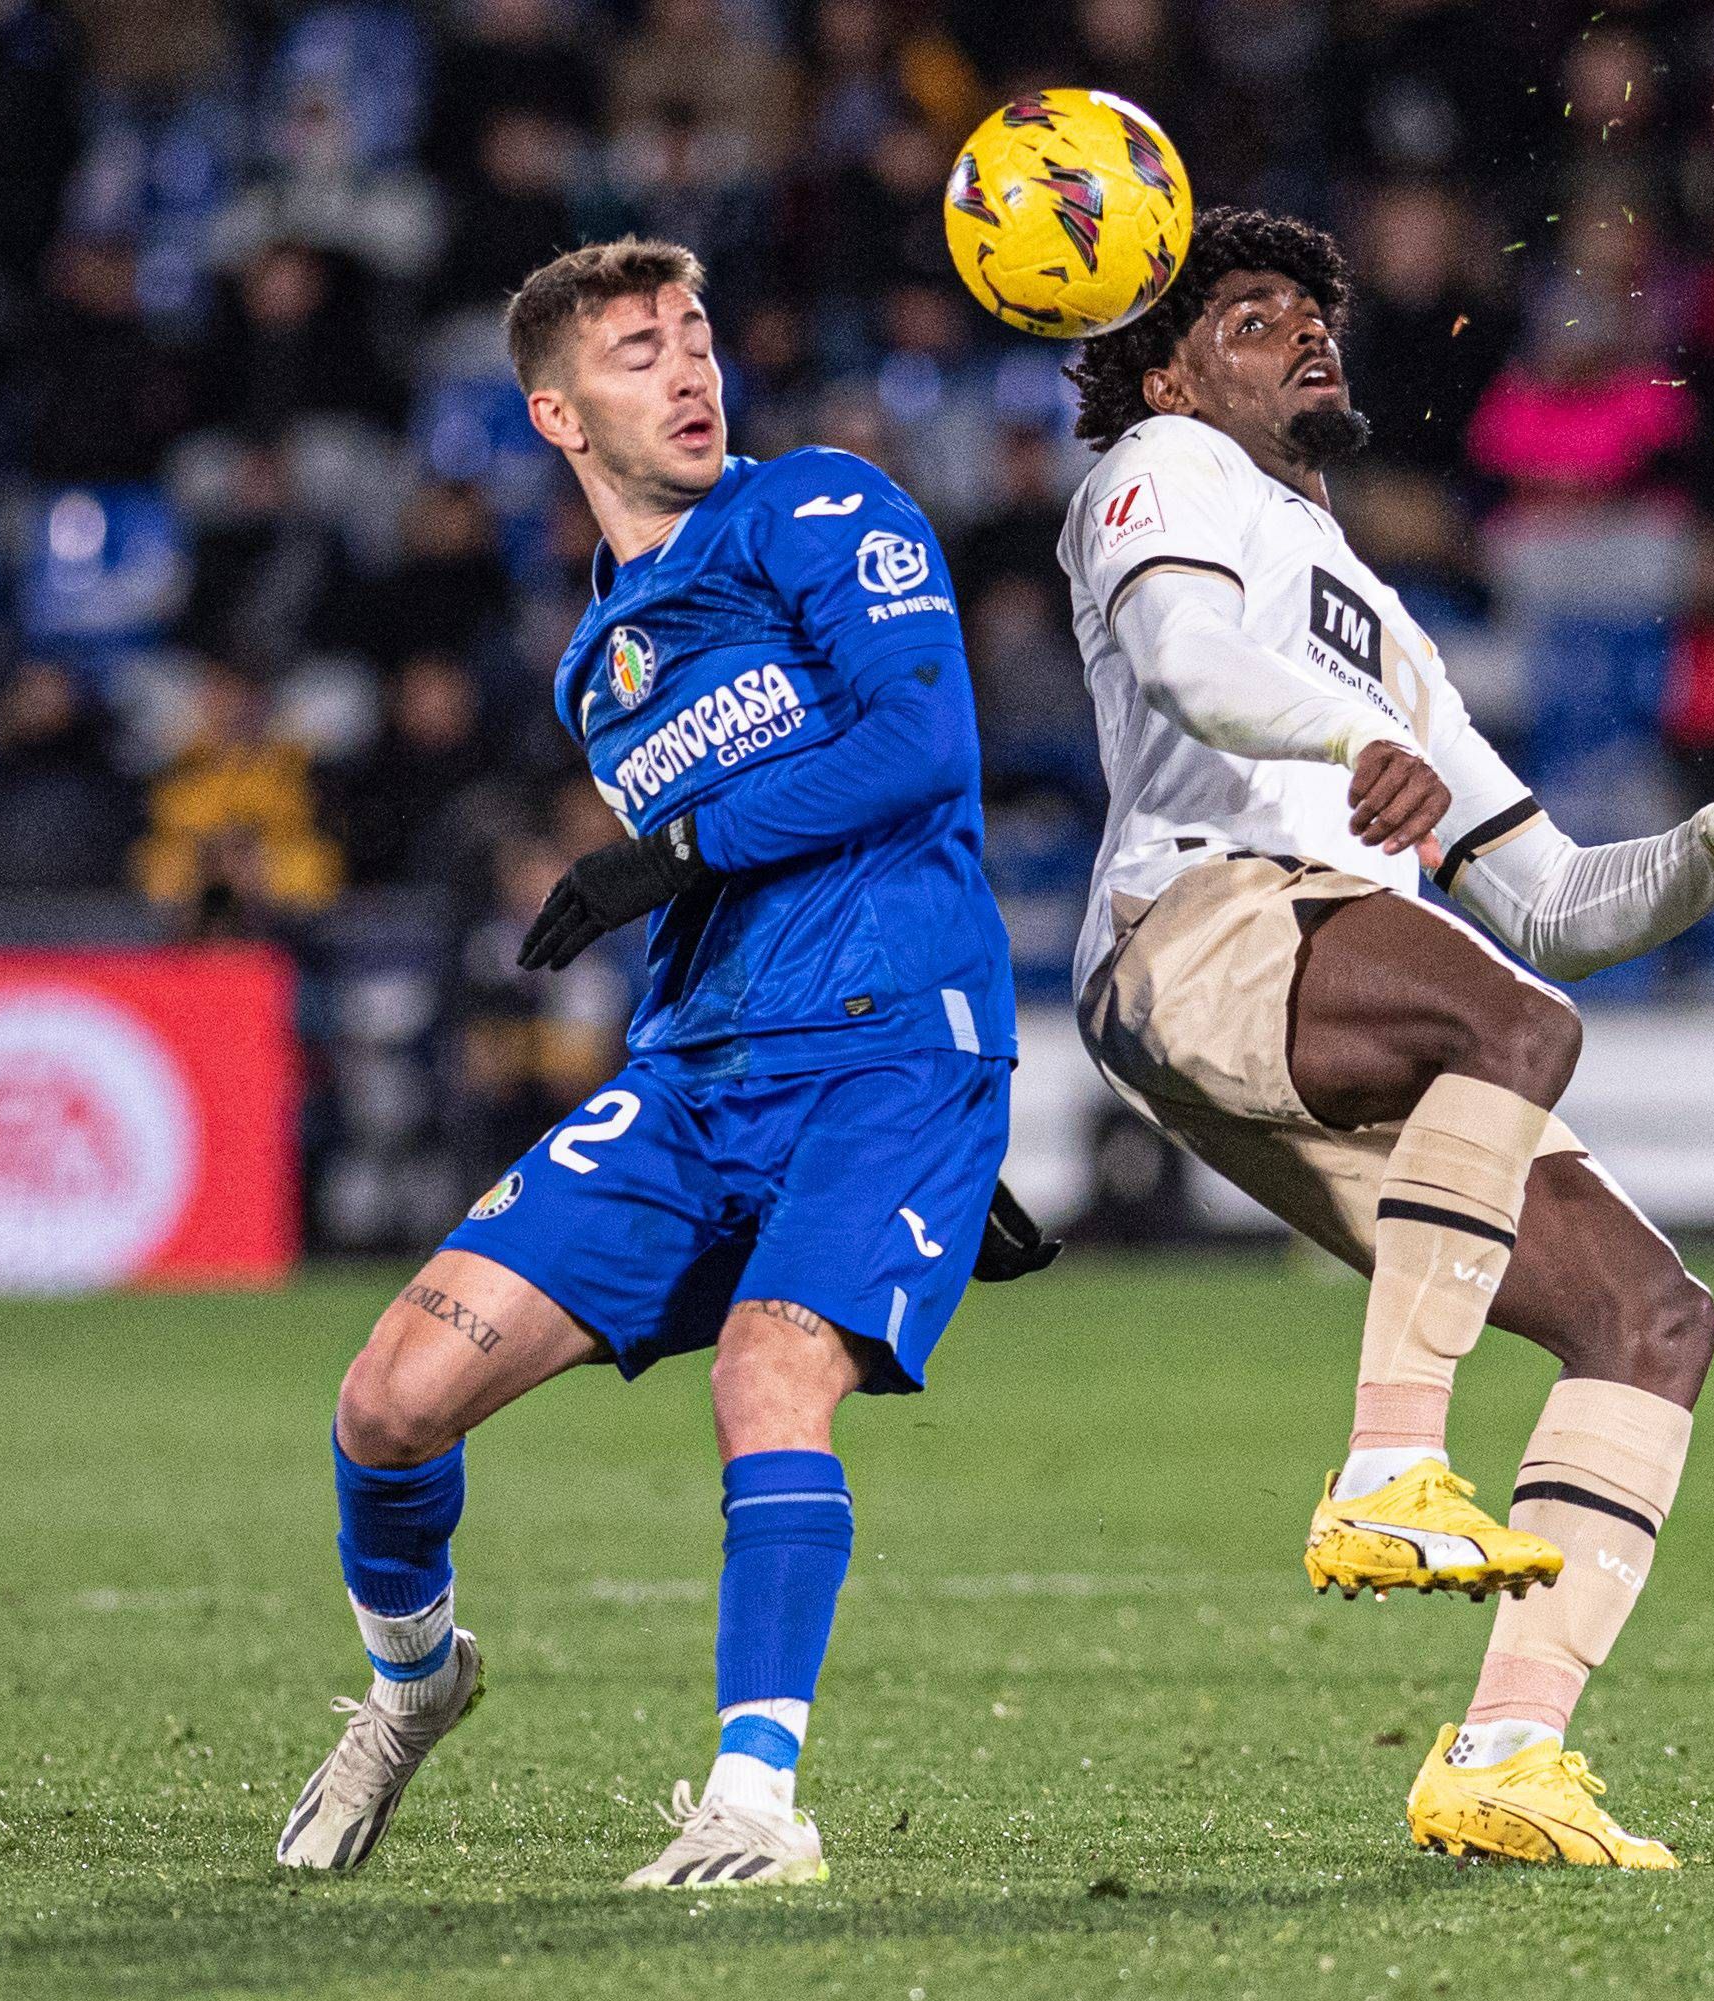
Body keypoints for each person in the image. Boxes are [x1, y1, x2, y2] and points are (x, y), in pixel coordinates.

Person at [1056, 208, 1714, 1870]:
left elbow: (1560, 896)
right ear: (1167, 365)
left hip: (1329, 988)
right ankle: (1387, 1465)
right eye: (1256, 316)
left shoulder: (1388, 621)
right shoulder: (1161, 467)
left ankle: (1504, 1751)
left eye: (1317, 311)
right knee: (1503, 1019)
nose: (1305, 334)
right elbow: (1191, 661)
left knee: (1653, 1316)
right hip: (1201, 926)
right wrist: (1345, 735)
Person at [278, 237, 1053, 1888]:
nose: (690, 371)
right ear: (558, 414)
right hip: (700, 1073)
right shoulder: (594, 660)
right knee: (389, 1401)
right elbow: (729, 862)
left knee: (768, 1370)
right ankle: (413, 1686)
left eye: (696, 336)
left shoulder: (821, 508)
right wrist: (685, 867)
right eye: (639, 352)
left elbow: (920, 741)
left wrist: (676, 845)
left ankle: (756, 1806)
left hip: (884, 1047)